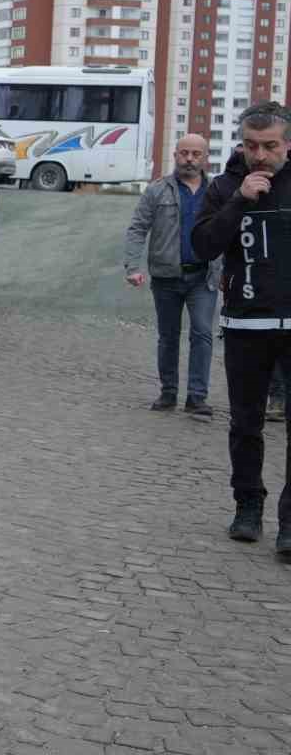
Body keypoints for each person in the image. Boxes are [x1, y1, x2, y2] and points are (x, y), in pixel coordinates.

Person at [192, 104, 291, 554]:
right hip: (246, 324)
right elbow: (203, 245)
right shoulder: (225, 187)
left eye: (270, 145)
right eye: (252, 146)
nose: (261, 155)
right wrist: (239, 201)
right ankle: (248, 504)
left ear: (286, 143)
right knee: (246, 424)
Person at [124, 133, 222, 418]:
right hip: (166, 277)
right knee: (168, 336)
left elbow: (230, 231)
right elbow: (137, 228)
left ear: (205, 158)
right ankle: (168, 393)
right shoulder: (157, 190)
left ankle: (197, 397)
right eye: (184, 153)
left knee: (203, 334)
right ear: (175, 155)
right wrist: (133, 266)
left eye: (195, 154)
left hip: (204, 276)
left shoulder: (217, 191)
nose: (189, 159)